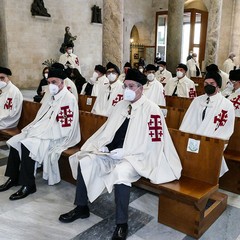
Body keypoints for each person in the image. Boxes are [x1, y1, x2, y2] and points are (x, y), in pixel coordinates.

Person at [59, 69, 182, 240]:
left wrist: (127, 152)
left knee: (120, 174)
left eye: (131, 86)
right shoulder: (121, 105)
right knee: (85, 161)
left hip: (136, 158)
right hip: (112, 153)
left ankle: (122, 223)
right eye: (125, 86)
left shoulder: (152, 110)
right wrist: (104, 145)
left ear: (141, 88)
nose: (127, 90)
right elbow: (109, 130)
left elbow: (154, 143)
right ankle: (81, 207)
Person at [0, 68, 80, 200]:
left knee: (27, 145)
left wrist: (41, 132)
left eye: (54, 82)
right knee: (15, 141)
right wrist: (34, 129)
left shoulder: (68, 98)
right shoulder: (50, 94)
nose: (51, 85)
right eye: (49, 82)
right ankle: (13, 178)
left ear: (62, 82)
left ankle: (29, 184)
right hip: (41, 131)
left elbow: (65, 127)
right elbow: (41, 117)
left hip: (56, 136)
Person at [180, 71, 235, 177]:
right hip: (193, 140)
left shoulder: (226, 105)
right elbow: (187, 121)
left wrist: (211, 143)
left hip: (211, 143)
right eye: (206, 83)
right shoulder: (197, 100)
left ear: (218, 85)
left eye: (212, 83)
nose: (208, 86)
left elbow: (226, 129)